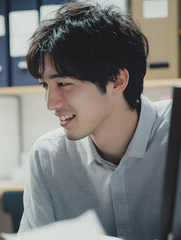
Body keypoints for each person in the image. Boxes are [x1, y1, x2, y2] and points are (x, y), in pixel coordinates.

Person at [19, 2, 172, 239]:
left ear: (118, 81)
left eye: (63, 84)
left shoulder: (175, 131)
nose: (51, 103)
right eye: (44, 85)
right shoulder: (47, 155)